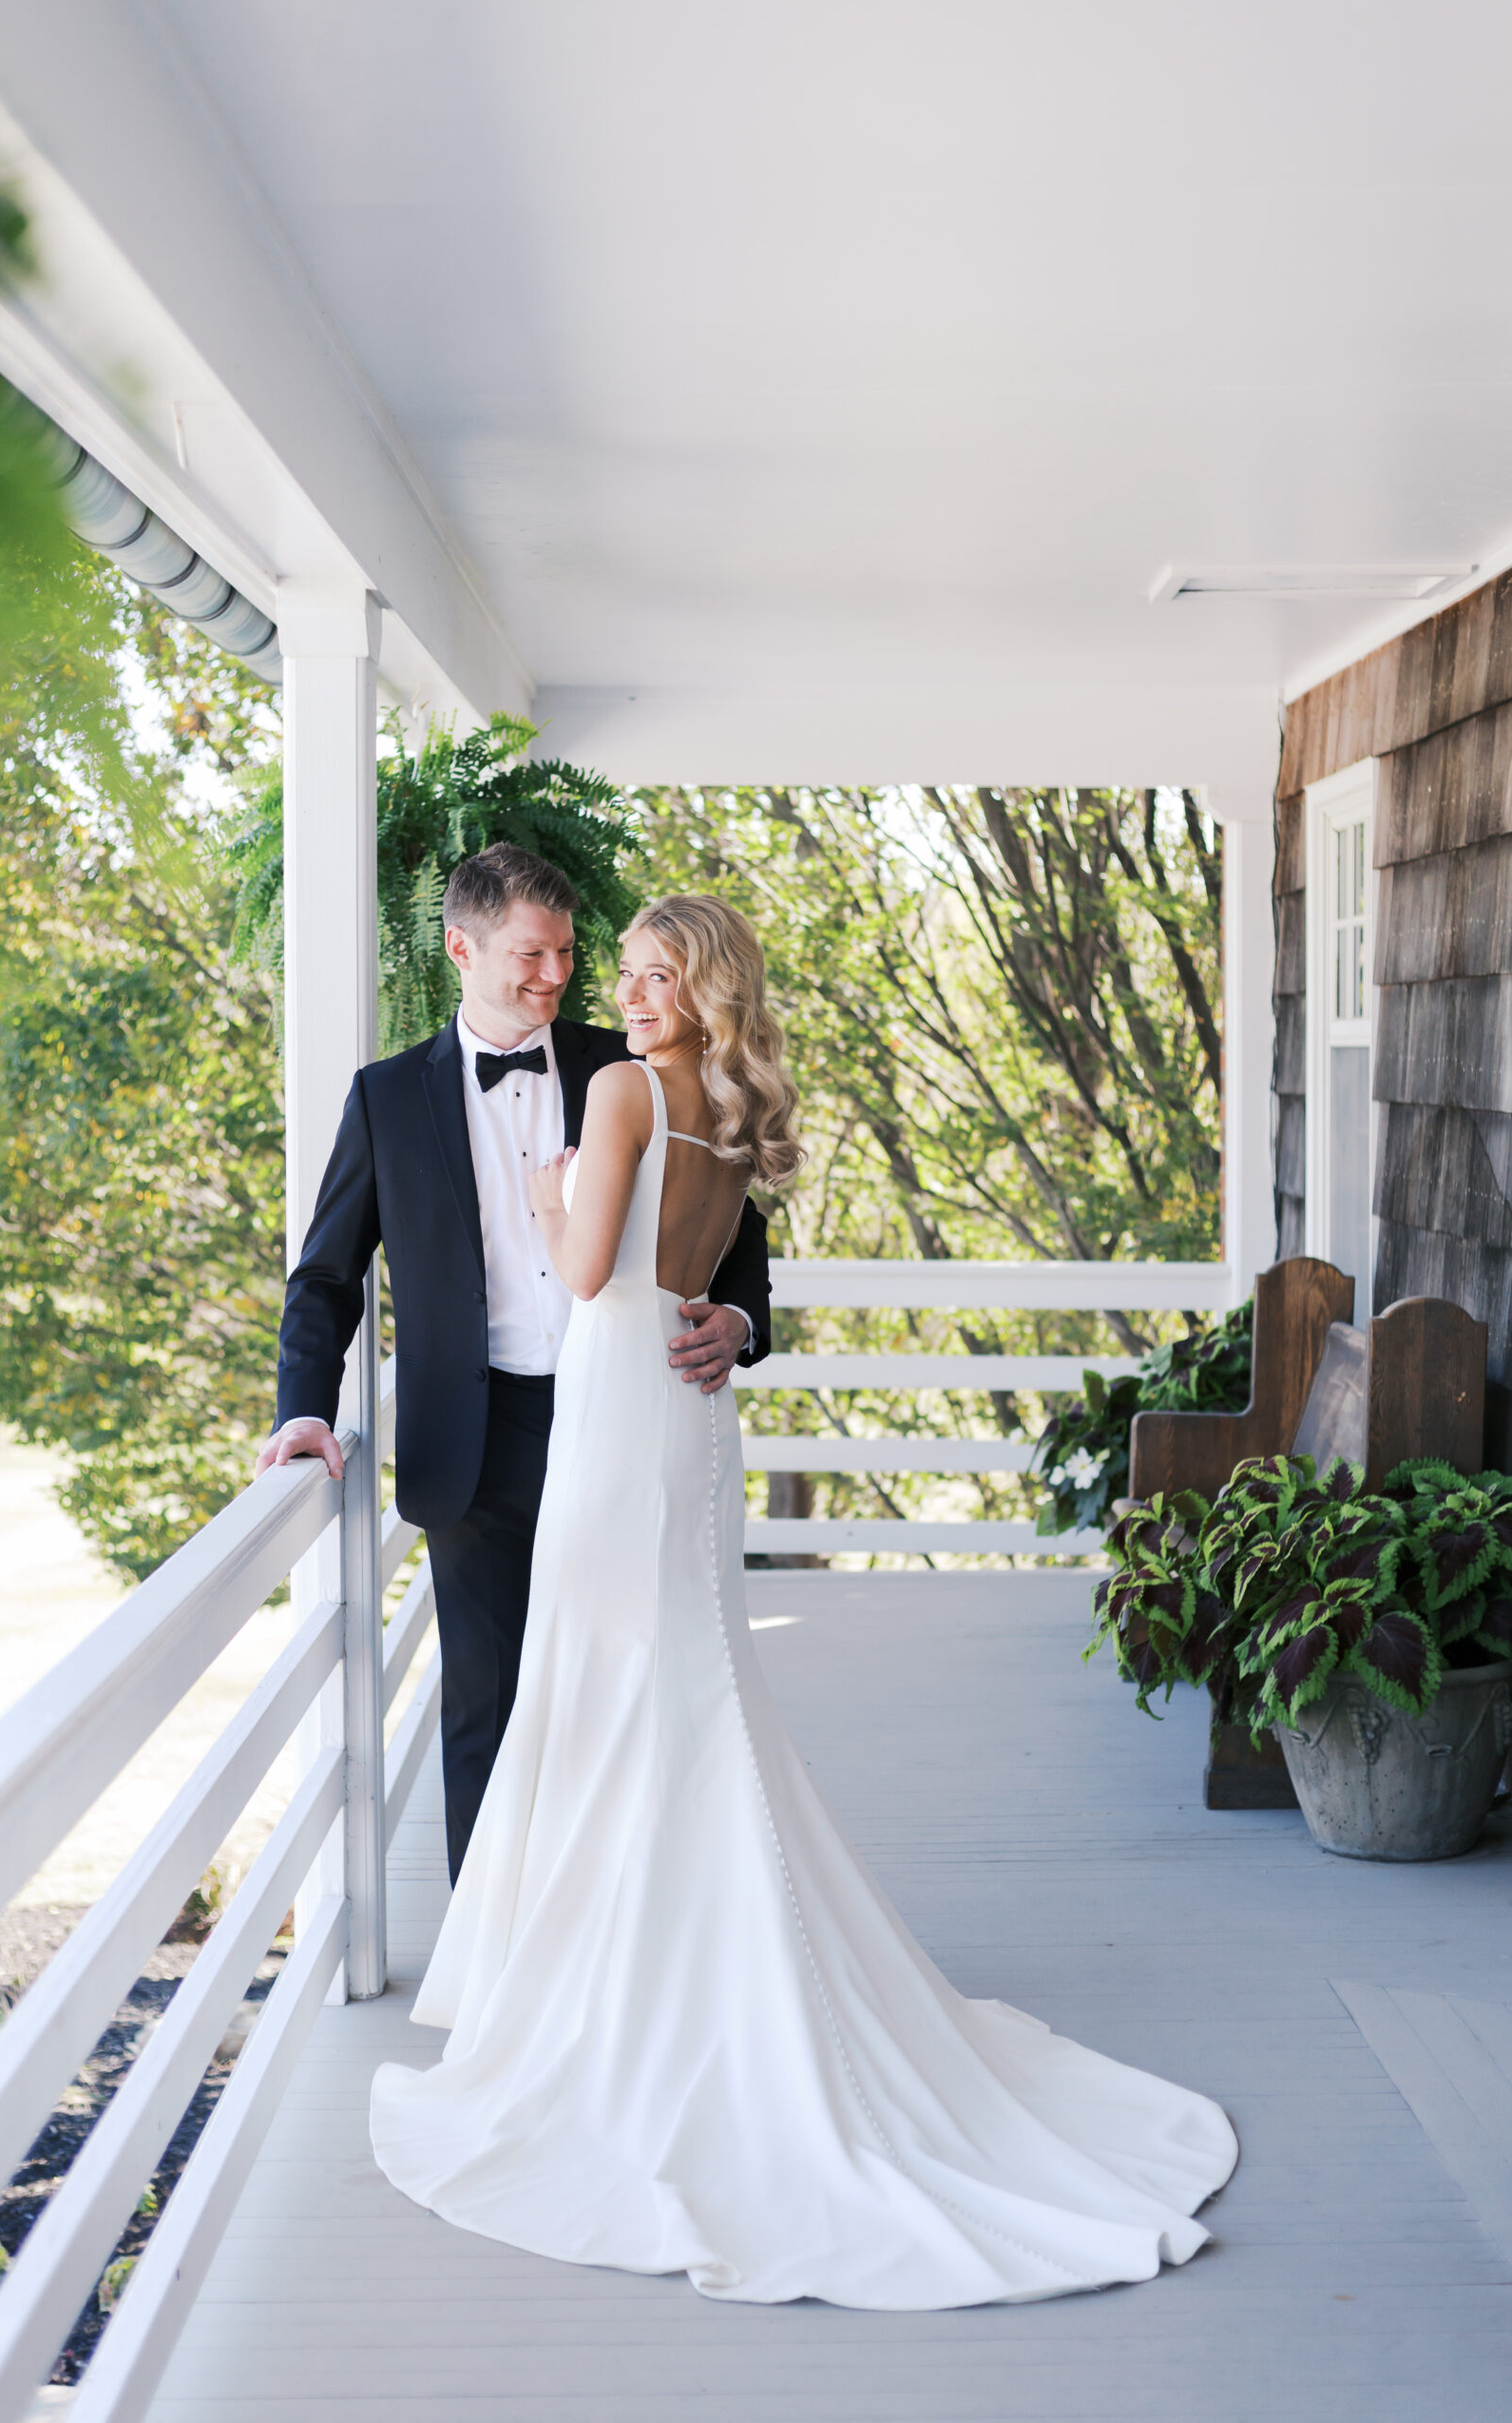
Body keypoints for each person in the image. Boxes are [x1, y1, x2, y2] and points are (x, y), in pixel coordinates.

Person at [371, 893, 1237, 2310]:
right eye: (627, 973)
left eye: (654, 974)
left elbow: (586, 1271)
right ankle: (676, 1962)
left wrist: (550, 1190)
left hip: (617, 1416)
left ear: (700, 986)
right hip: (687, 1422)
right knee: (679, 1684)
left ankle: (633, 1994)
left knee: (618, 1683)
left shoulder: (617, 1088)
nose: (628, 992)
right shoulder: (727, 1094)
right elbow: (693, 1268)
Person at [257, 844, 773, 1880]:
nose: (555, 976)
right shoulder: (387, 1101)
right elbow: (324, 1274)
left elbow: (736, 1230)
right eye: (530, 954)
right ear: (461, 946)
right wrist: (304, 1406)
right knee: (486, 1706)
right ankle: (491, 1972)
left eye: (568, 953)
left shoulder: (622, 1063)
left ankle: (623, 1927)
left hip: (622, 1417)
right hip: (474, 1445)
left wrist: (743, 1323)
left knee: (627, 1683)